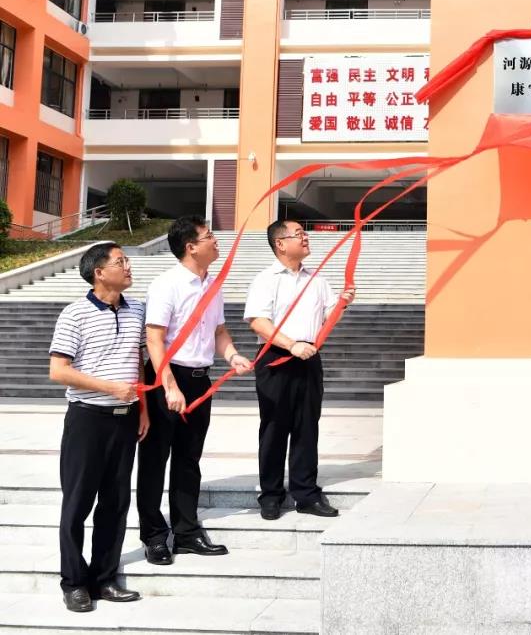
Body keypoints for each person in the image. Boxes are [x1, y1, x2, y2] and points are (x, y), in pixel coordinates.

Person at [138, 216, 252, 565]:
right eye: (209, 236)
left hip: (200, 379)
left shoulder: (213, 285)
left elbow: (219, 331)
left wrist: (232, 355)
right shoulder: (166, 285)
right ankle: (154, 536)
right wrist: (169, 386)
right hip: (165, 379)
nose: (216, 242)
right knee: (155, 461)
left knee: (189, 460)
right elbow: (154, 339)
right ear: (191, 247)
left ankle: (186, 532)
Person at [48, 243, 149, 612]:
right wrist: (110, 388)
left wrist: (143, 410)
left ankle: (104, 578)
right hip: (87, 419)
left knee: (116, 503)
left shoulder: (138, 309)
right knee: (77, 504)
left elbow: (139, 361)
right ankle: (74, 582)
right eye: (120, 262)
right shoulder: (74, 314)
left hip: (125, 422)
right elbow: (58, 370)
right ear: (99, 272)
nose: (128, 267)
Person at [244, 219, 354, 520]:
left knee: (307, 426)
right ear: (280, 243)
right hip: (276, 358)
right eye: (299, 234)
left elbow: (329, 316)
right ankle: (271, 494)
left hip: (308, 357)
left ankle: (305, 493)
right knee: (274, 427)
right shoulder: (266, 279)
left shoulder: (316, 279)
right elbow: (257, 321)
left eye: (304, 234)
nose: (305, 238)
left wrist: (342, 303)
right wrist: (291, 344)